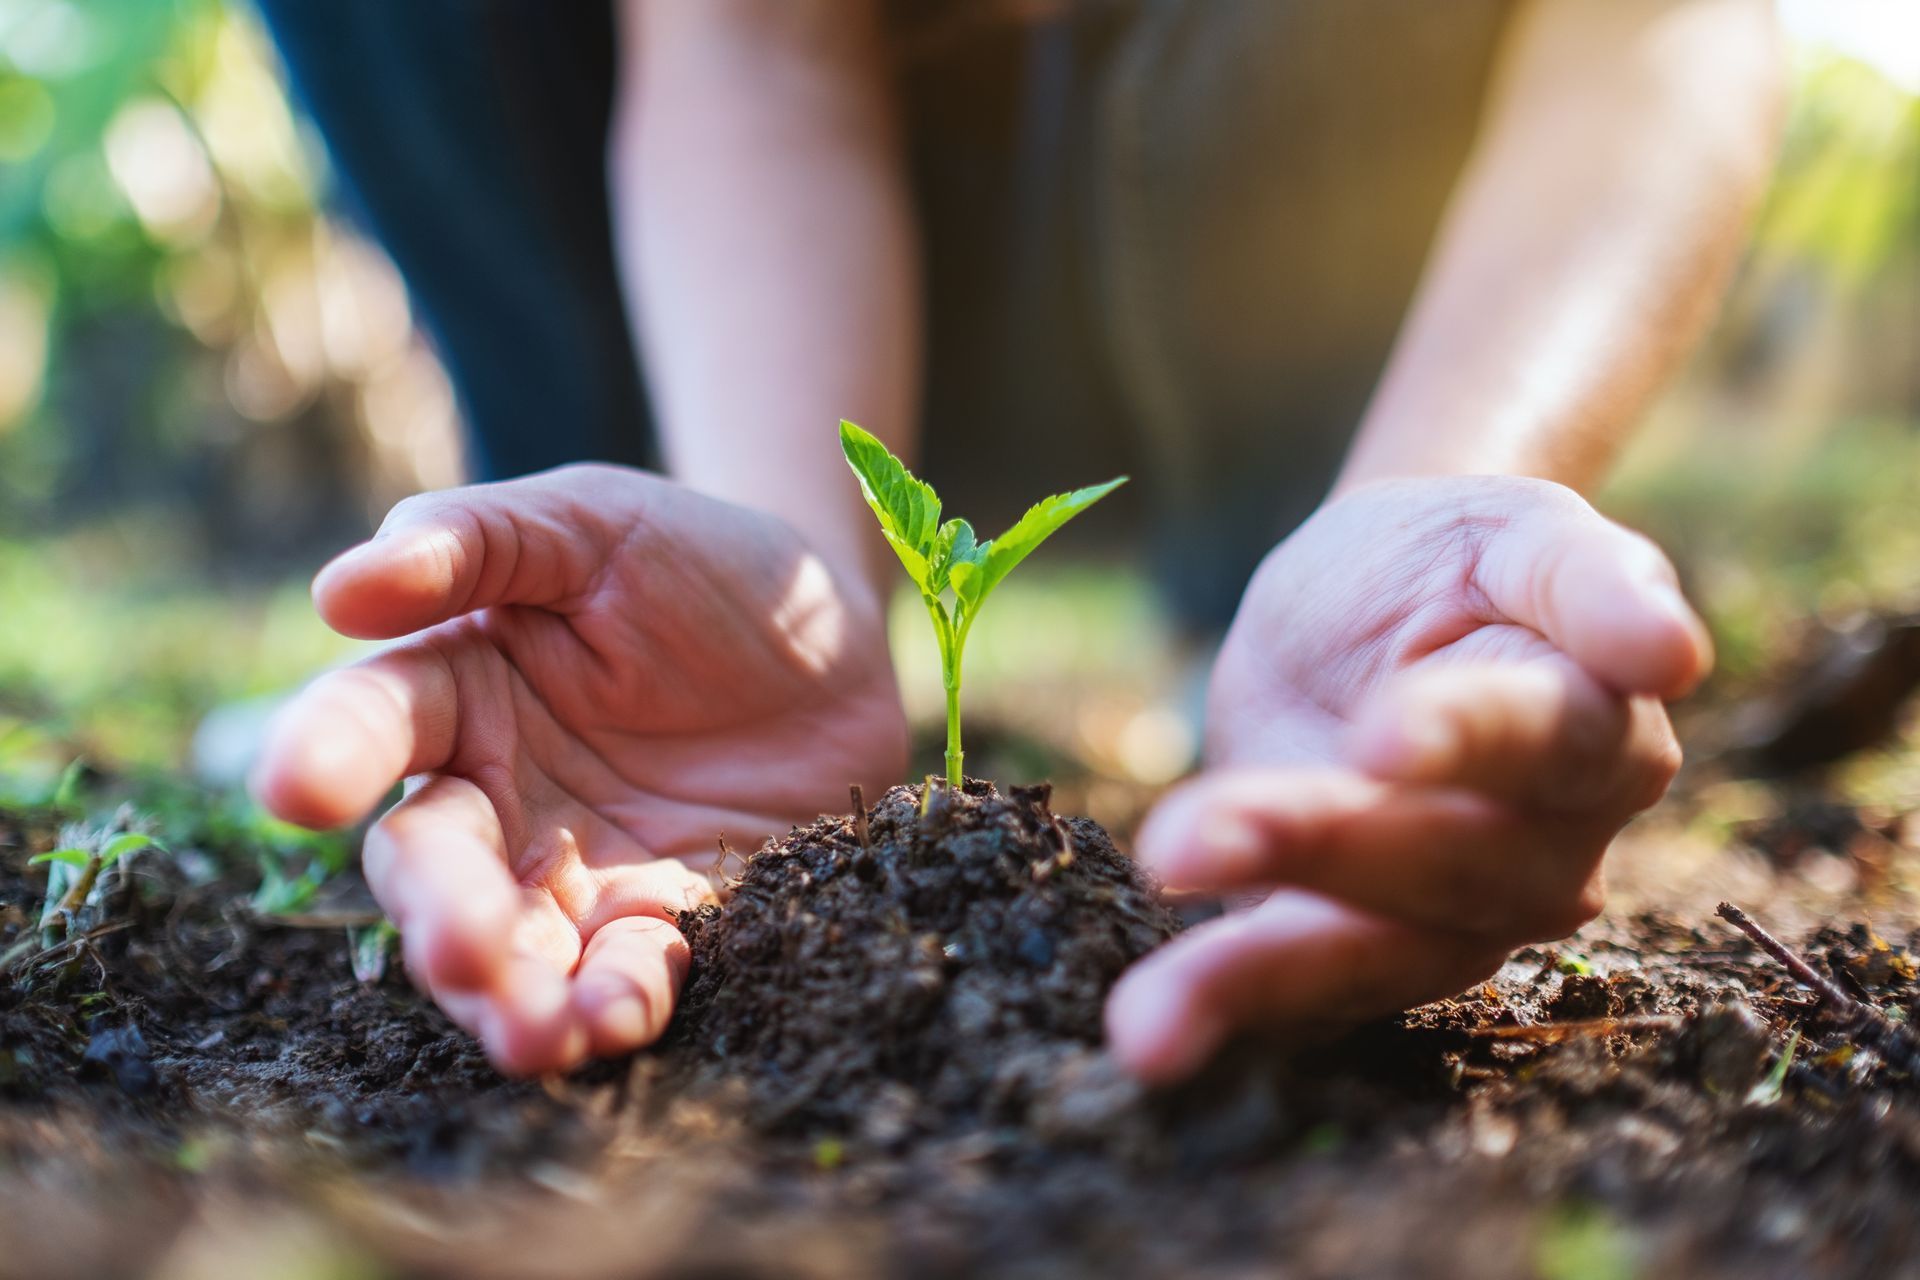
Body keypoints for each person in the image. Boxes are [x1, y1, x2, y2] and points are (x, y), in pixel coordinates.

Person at [246, 0, 1784, 1079]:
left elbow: (1655, 26)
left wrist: (1444, 480)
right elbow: (752, 42)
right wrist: (788, 563)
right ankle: (618, 586)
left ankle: (1309, 566)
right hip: (780, 281)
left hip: (1282, 228)